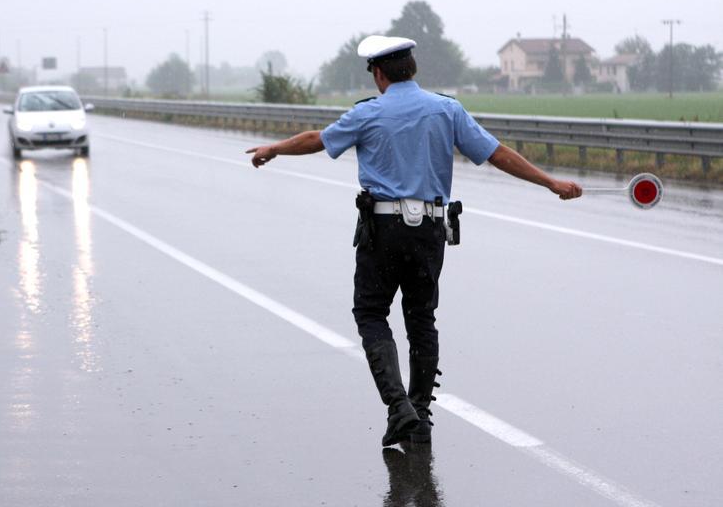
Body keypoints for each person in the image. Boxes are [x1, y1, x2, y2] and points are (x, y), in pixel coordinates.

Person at [246, 35, 582, 447]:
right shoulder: (447, 109)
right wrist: (551, 182)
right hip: (430, 231)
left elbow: (317, 139)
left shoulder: (367, 114)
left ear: (380, 73)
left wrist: (274, 149)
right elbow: (496, 152)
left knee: (370, 313)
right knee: (421, 319)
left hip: (382, 230)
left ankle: (398, 407)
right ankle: (420, 416)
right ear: (414, 70)